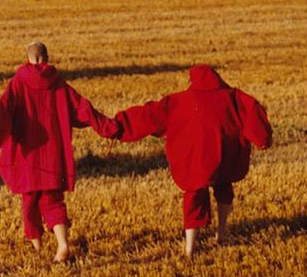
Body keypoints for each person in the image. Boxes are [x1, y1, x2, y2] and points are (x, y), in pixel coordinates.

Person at [0, 42, 118, 262]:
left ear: (29, 59)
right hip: (54, 154)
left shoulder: (17, 84)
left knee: (30, 202)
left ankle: (38, 247)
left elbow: (2, 111)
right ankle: (62, 245)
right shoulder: (59, 83)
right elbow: (83, 107)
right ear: (46, 58)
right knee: (53, 201)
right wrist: (106, 126)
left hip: (27, 156)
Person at [115, 65, 272, 256]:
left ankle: (190, 248)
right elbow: (254, 113)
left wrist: (119, 126)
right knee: (224, 188)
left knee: (194, 197)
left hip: (196, 160)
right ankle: (222, 232)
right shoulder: (234, 97)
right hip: (225, 156)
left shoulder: (178, 101)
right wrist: (262, 139)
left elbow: (149, 115)